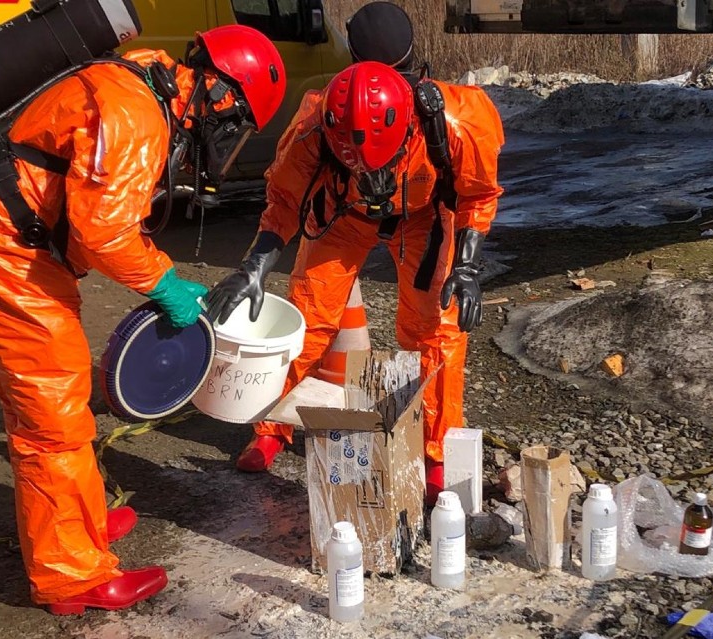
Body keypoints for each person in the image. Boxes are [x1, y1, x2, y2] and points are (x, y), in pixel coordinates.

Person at [0, 25, 285, 614]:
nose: (222, 135)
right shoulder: (137, 113)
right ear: (219, 92)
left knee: (58, 397)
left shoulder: (144, 79)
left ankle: (82, 519)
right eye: (233, 121)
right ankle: (70, 576)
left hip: (13, 238)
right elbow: (104, 232)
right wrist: (167, 283)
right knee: (53, 415)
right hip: (2, 250)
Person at [206, 57, 504, 506]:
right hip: (344, 215)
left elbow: (476, 193)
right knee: (307, 318)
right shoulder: (310, 129)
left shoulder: (457, 121)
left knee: (437, 330)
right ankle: (270, 428)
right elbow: (285, 199)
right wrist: (255, 266)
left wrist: (465, 265)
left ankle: (436, 453)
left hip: (421, 218)